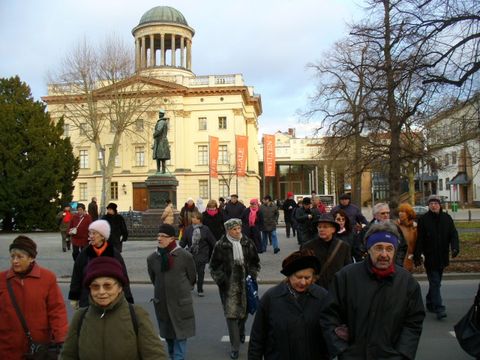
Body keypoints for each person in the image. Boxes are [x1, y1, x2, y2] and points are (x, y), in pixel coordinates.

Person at [320, 222, 425, 359]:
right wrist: (341, 349)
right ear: (368, 249)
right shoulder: (346, 277)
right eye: (378, 248)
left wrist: (402, 353)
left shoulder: (407, 282)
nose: (384, 254)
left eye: (389, 249)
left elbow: (414, 321)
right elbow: (329, 315)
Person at [62, 257, 167, 360]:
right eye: (95, 286)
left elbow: (155, 355)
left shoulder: (136, 315)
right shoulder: (80, 317)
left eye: (108, 286)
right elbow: (67, 355)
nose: (101, 292)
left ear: (120, 287)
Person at [248, 249, 330, 359]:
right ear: (289, 275)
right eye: (299, 277)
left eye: (307, 278)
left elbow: (330, 335)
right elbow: (257, 339)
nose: (303, 282)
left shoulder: (322, 297)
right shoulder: (271, 298)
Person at [0, 236, 68, 359]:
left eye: (20, 257)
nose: (15, 261)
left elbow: (56, 310)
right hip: (7, 348)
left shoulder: (47, 278)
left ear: (31, 258)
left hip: (38, 348)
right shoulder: (2, 279)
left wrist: (61, 339)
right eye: (12, 256)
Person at [210, 218, 261, 359]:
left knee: (243, 314)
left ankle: (241, 330)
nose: (238, 231)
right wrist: (222, 280)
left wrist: (252, 275)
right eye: (234, 229)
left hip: (246, 285)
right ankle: (235, 347)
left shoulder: (247, 243)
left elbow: (255, 262)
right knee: (231, 316)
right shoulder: (221, 245)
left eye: (239, 228)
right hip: (229, 287)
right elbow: (213, 266)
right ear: (228, 230)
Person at [147, 224, 196, 360]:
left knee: (180, 337)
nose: (159, 239)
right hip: (162, 303)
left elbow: (192, 278)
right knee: (168, 337)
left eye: (163, 236)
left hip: (180, 303)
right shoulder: (152, 259)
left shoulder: (185, 256)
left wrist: (181, 289)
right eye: (158, 236)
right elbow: (154, 279)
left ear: (172, 239)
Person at [68, 219, 134, 309]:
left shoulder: (113, 253)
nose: (90, 236)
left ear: (103, 236)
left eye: (94, 233)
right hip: (88, 300)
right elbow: (76, 275)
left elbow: (123, 277)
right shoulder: (85, 253)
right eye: (90, 233)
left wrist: (128, 298)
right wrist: (74, 297)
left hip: (110, 300)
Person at [414, 194, 459, 320]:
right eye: (431, 203)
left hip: (443, 256)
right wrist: (418, 255)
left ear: (440, 205)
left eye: (436, 203)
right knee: (435, 281)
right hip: (430, 257)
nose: (433, 205)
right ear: (428, 205)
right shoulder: (424, 220)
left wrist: (455, 248)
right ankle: (439, 308)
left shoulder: (447, 218)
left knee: (436, 283)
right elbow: (420, 239)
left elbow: (453, 234)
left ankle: (429, 301)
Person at [301, 213, 352, 289]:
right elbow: (303, 270)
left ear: (333, 229)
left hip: (337, 289)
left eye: (325, 227)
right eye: (319, 227)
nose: (321, 229)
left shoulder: (343, 247)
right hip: (315, 290)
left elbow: (348, 270)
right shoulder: (308, 246)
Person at [180, 212, 216, 296]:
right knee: (191, 271)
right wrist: (177, 248)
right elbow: (183, 241)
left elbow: (212, 241)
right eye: (192, 218)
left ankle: (200, 289)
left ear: (199, 219)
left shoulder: (205, 229)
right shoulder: (188, 229)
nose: (193, 219)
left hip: (202, 253)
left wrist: (218, 249)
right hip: (191, 254)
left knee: (200, 272)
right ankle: (191, 284)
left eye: (195, 218)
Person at [396, 203, 417, 271]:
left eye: (403, 212)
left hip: (409, 258)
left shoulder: (414, 228)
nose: (400, 213)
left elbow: (416, 243)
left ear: (408, 214)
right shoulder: (395, 226)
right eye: (399, 211)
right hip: (397, 258)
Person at [152, 109, 171, 174]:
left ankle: (159, 170)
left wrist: (154, 135)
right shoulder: (164, 122)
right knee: (162, 156)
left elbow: (159, 130)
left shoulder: (161, 122)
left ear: (161, 114)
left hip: (160, 141)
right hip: (162, 140)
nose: (159, 114)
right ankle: (162, 170)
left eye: (160, 114)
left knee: (159, 156)